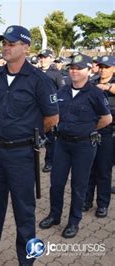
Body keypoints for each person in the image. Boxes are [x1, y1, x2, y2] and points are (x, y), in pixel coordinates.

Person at [0, 25, 59, 265]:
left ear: (26, 47)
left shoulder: (39, 80)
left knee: (24, 209)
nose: (5, 48)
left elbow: (52, 118)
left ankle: (27, 257)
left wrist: (28, 135)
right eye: (4, 43)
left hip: (22, 153)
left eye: (11, 43)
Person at [39, 54, 112, 238]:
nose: (74, 71)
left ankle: (73, 221)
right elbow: (53, 113)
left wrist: (87, 129)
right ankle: (54, 216)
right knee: (56, 183)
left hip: (84, 145)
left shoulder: (96, 93)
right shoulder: (61, 92)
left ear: (89, 70)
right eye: (71, 67)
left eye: (79, 68)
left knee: (79, 186)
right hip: (62, 143)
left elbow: (106, 119)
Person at [84, 55, 115, 218]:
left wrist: (107, 87)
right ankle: (86, 200)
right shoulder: (93, 81)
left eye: (107, 67)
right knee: (89, 169)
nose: (103, 70)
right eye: (101, 67)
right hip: (91, 130)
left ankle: (102, 204)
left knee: (103, 170)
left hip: (108, 131)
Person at [38, 49, 66, 173]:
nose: (42, 59)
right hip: (36, 110)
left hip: (49, 110)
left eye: (44, 57)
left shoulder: (56, 74)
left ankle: (49, 162)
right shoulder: (35, 72)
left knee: (49, 138)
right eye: (41, 57)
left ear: (50, 58)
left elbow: (62, 91)